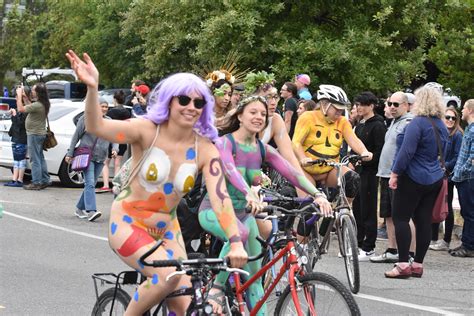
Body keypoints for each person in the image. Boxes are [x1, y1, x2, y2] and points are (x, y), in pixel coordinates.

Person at [66, 50, 247, 315]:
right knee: (167, 277)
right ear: (170, 101)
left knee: (189, 306)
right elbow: (96, 126)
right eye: (184, 99)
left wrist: (236, 241)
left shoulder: (206, 149)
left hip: (167, 228)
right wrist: (92, 87)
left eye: (199, 103)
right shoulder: (145, 130)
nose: (191, 107)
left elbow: (220, 198)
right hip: (128, 222)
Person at [199, 95, 332, 315]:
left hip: (246, 213)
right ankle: (217, 288)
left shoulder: (262, 149)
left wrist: (318, 194)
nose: (259, 117)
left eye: (263, 114)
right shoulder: (225, 143)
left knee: (254, 282)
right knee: (239, 232)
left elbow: (292, 172)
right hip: (215, 210)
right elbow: (231, 170)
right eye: (253, 112)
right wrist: (248, 193)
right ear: (240, 115)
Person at [385, 86, 448, 278]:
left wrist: (395, 173)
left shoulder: (417, 123)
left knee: (401, 218)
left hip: (413, 176)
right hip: (434, 178)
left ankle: (403, 264)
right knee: (424, 221)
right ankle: (418, 264)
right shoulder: (442, 125)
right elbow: (443, 153)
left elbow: (407, 152)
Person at [371, 91, 416, 264]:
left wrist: (398, 173)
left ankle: (410, 253)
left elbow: (408, 151)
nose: (391, 107)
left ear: (406, 105)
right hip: (384, 174)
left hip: (399, 176)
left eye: (396, 104)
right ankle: (392, 249)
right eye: (390, 103)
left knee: (404, 216)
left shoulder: (409, 123)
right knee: (388, 215)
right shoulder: (393, 122)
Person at [66, 99, 119, 222]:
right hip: (86, 156)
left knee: (92, 183)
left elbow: (114, 137)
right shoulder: (86, 118)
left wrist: (115, 149)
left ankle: (79, 208)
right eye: (102, 106)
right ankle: (91, 211)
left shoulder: (109, 121)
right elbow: (76, 136)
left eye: (106, 107)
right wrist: (70, 153)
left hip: (101, 157)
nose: (105, 109)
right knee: (89, 183)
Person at [351, 92, 387, 261]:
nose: (358, 107)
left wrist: (369, 158)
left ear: (371, 106)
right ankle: (358, 243)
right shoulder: (359, 125)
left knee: (368, 208)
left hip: (371, 172)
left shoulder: (378, 125)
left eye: (362, 104)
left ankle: (369, 246)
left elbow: (381, 151)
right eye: (357, 104)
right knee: (357, 207)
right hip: (358, 171)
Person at [430, 106, 463, 251]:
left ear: (457, 120)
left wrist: (444, 166)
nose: (450, 120)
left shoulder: (457, 135)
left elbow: (457, 157)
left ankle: (446, 240)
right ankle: (433, 238)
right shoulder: (440, 133)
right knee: (434, 204)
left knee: (446, 207)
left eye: (453, 118)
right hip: (436, 173)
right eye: (447, 117)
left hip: (448, 176)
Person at [449, 99, 474, 257]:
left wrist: (460, 173)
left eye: (464, 108)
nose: (462, 111)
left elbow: (472, 158)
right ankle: (466, 242)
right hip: (463, 178)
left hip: (468, 179)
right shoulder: (469, 129)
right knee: (466, 212)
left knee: (470, 213)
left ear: (471, 110)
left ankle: (469, 246)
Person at [16, 83, 51, 190]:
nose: (32, 91)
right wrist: (24, 97)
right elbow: (29, 106)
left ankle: (36, 182)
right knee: (40, 158)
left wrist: (18, 96)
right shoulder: (42, 104)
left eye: (34, 90)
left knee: (34, 159)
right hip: (39, 134)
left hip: (34, 134)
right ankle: (45, 180)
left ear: (39, 92)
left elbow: (21, 109)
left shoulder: (38, 105)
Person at [99, 90, 132, 192]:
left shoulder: (111, 112)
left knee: (106, 163)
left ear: (114, 99)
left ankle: (105, 185)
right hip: (122, 139)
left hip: (111, 139)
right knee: (118, 164)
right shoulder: (127, 112)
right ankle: (116, 185)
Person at [4, 107, 27, 187]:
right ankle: (14, 179)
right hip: (16, 139)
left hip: (21, 139)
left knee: (21, 160)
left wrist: (14, 114)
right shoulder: (20, 113)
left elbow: (19, 124)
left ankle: (20, 180)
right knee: (16, 161)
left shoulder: (25, 113)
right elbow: (15, 124)